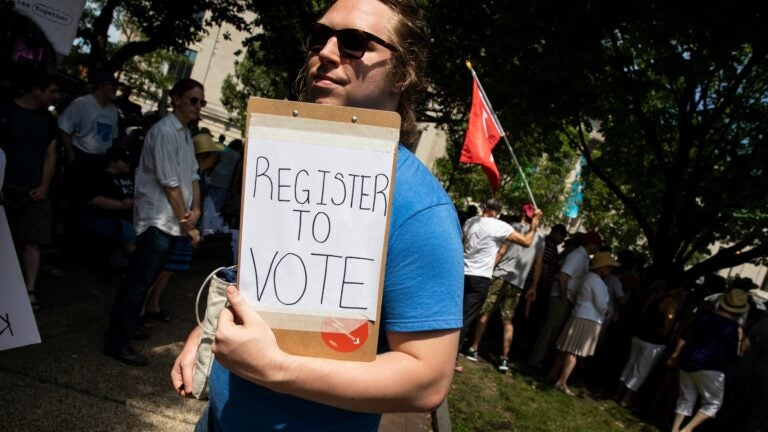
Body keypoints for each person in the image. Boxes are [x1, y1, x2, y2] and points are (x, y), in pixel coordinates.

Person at [171, 1, 464, 430]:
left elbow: (427, 381)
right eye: (319, 36)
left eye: (352, 43)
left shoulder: (420, 208)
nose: (326, 52)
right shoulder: (289, 157)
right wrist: (211, 330)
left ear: (404, 73)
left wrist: (276, 368)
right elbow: (264, 281)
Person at [103, 78, 204, 367]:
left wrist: (195, 208)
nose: (198, 106)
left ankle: (128, 327)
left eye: (201, 102)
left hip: (172, 220)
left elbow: (193, 177)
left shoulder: (184, 134)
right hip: (157, 220)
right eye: (193, 100)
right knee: (138, 281)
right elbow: (170, 184)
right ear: (176, 99)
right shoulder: (163, 132)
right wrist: (189, 224)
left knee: (146, 279)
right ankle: (116, 341)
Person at [0, 72, 59, 312]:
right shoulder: (6, 112)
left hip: (34, 191)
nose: (56, 96)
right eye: (52, 91)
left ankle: (29, 289)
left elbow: (51, 154)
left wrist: (44, 186)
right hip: (7, 187)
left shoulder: (48, 120)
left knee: (33, 242)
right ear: (36, 89)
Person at [464, 203, 545, 372]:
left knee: (485, 312)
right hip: (518, 282)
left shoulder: (511, 227)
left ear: (522, 213)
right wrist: (534, 287)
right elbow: (538, 265)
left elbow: (501, 251)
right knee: (508, 320)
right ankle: (505, 358)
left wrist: (489, 269)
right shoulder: (540, 238)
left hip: (499, 276)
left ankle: (473, 348)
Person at [668, 288, 749, 432]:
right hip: (712, 367)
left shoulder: (704, 316)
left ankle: (675, 429)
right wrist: (742, 346)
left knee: (686, 397)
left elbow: (686, 335)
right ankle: (687, 430)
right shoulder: (735, 329)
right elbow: (734, 356)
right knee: (713, 404)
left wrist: (676, 353)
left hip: (688, 359)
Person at [547, 251, 620, 396]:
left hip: (580, 314)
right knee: (574, 352)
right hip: (588, 318)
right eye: (608, 267)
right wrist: (607, 311)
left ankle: (553, 374)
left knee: (565, 348)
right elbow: (600, 303)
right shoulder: (596, 281)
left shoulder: (588, 278)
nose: (610, 270)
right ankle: (562, 381)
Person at [529, 230, 602, 368]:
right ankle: (536, 359)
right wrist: (563, 297)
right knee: (549, 329)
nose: (598, 248)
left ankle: (541, 359)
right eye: (597, 245)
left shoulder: (584, 257)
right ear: (591, 244)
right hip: (561, 297)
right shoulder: (578, 256)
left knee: (553, 330)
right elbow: (563, 276)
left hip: (565, 297)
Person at [614, 278, 684, 407]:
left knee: (630, 364)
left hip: (640, 334)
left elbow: (644, 311)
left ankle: (618, 393)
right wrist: (667, 329)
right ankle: (626, 398)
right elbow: (670, 317)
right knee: (641, 370)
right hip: (653, 341)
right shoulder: (671, 302)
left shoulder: (655, 295)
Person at [75, 144, 136, 256]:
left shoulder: (130, 177)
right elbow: (94, 199)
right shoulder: (100, 177)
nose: (128, 163)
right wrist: (120, 205)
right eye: (124, 160)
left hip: (130, 216)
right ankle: (136, 265)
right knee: (126, 228)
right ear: (113, 161)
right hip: (106, 217)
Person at [58, 71, 119, 177]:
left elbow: (112, 137)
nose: (116, 89)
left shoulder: (113, 110)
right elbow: (64, 129)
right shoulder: (82, 103)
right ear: (101, 86)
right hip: (82, 157)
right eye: (113, 86)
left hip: (101, 161)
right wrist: (72, 156)